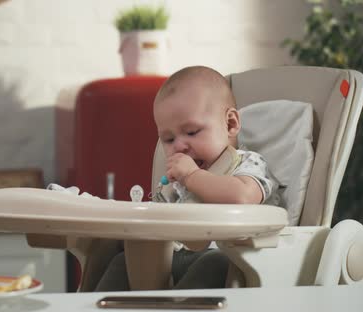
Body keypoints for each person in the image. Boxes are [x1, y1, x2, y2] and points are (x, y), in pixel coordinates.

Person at [94, 65, 280, 291]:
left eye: (192, 132)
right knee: (123, 261)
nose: (179, 146)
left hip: (226, 255)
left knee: (216, 264)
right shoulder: (176, 181)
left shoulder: (247, 162)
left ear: (230, 124)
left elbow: (243, 196)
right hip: (173, 255)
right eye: (168, 139)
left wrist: (193, 175)